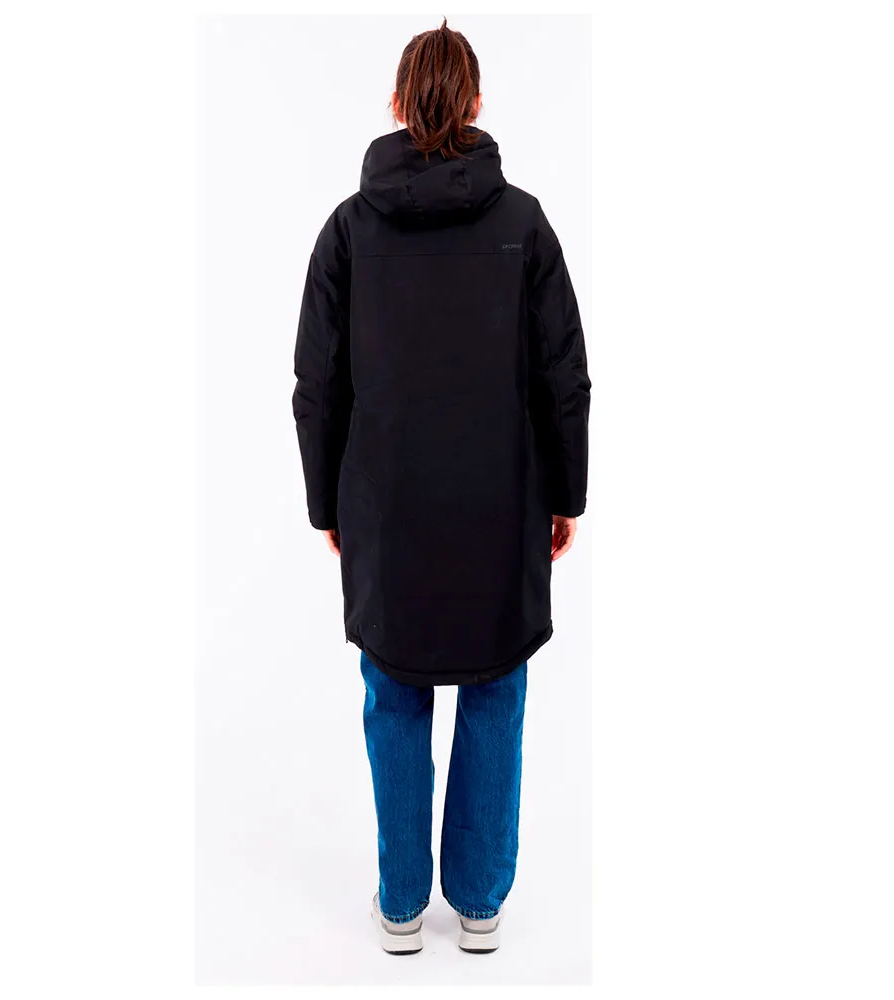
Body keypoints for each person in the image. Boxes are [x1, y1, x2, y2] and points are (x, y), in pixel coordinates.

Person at [291, 19, 590, 955]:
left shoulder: (349, 229)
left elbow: (317, 384)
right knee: (495, 690)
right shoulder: (524, 224)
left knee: (396, 692)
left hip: (386, 513)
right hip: (502, 508)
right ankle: (480, 903)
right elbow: (564, 375)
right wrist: (566, 496)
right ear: (475, 104)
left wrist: (326, 503)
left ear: (395, 103)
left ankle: (399, 906)